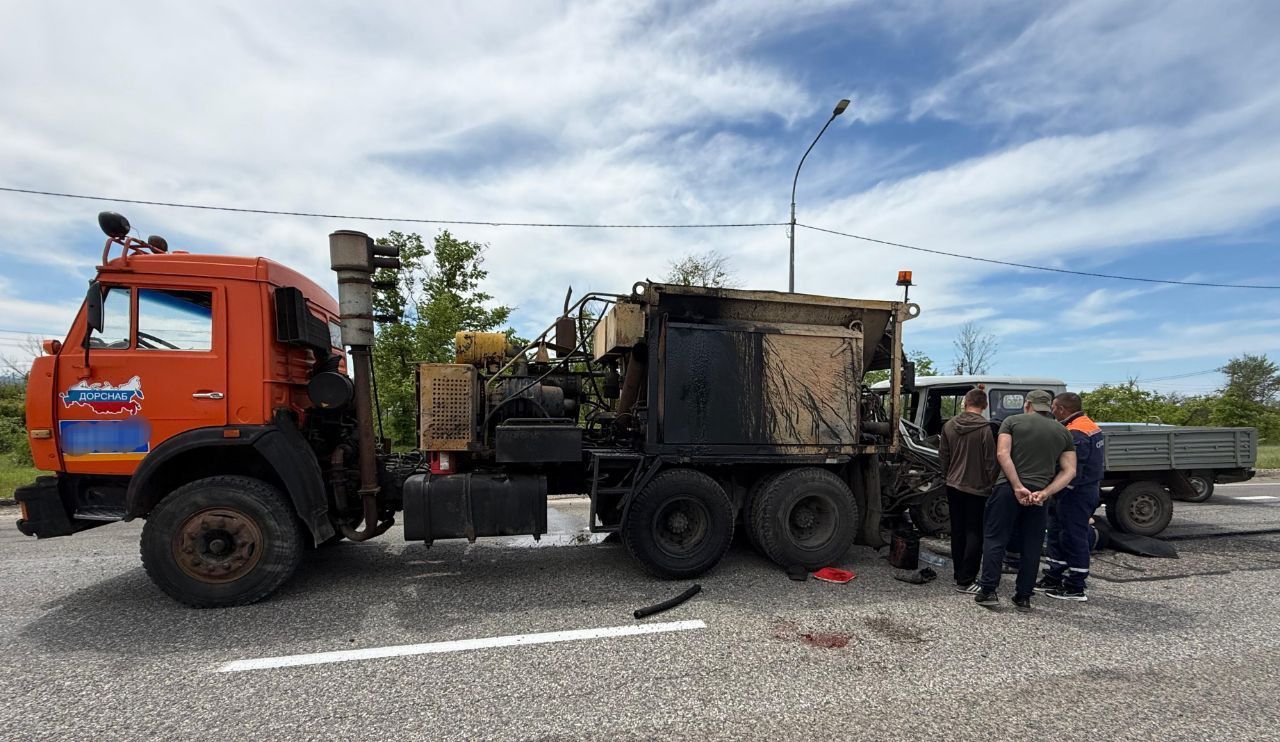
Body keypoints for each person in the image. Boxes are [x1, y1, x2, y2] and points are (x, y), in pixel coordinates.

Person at [974, 389, 1076, 612]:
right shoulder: (1063, 431)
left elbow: (1002, 454)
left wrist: (1017, 486)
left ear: (1028, 404)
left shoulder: (1011, 422)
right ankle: (1023, 596)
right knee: (1032, 545)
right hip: (1039, 495)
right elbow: (1070, 470)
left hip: (1007, 491)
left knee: (995, 539)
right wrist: (1046, 492)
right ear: (1048, 407)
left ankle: (989, 590)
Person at [1036, 392, 1105, 601]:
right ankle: (1054, 575)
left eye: (1053, 407)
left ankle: (1076, 584)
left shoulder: (1077, 433)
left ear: (1062, 409)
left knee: (1074, 537)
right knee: (1057, 533)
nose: (1051, 411)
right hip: (1077, 491)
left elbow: (1073, 470)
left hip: (1076, 493)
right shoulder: (1085, 425)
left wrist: (1056, 490)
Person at [936, 388, 997, 594]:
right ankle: (967, 578)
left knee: (958, 530)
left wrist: (948, 475)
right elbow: (990, 461)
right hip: (977, 488)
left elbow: (943, 455)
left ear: (965, 403)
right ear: (985, 405)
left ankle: (957, 573)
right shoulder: (985, 429)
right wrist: (992, 484)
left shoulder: (949, 425)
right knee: (975, 532)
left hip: (953, 485)